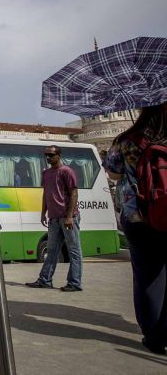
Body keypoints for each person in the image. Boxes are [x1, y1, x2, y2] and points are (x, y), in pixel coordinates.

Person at [103, 103, 167, 354]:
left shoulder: (127, 139)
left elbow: (113, 173)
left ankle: (154, 335)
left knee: (147, 277)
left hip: (137, 216)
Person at [26, 145, 82, 292]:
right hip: (54, 218)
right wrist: (43, 212)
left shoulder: (66, 171)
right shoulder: (46, 173)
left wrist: (69, 216)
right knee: (51, 251)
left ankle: (74, 283)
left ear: (59, 155)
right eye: (46, 155)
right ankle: (45, 280)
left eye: (51, 155)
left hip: (67, 217)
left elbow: (74, 194)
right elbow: (46, 194)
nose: (48, 158)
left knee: (74, 251)